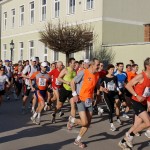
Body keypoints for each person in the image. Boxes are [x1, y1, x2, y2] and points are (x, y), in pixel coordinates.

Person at [68, 58, 100, 148]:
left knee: (88, 123)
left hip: (89, 100)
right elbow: (72, 82)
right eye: (97, 65)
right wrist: (74, 94)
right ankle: (72, 120)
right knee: (84, 122)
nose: (99, 66)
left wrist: (101, 89)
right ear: (92, 65)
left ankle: (77, 140)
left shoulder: (97, 74)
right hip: (80, 99)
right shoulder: (83, 72)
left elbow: (96, 84)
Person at [119, 57, 150, 149]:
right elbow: (128, 85)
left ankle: (122, 141)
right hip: (136, 101)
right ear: (148, 66)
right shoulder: (141, 76)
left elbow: (148, 91)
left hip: (143, 102)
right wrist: (136, 95)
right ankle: (130, 136)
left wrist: (148, 102)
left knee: (136, 125)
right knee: (148, 123)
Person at [51, 58, 76, 123]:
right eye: (74, 63)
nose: (75, 64)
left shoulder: (75, 71)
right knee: (59, 105)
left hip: (72, 91)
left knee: (73, 105)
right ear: (70, 63)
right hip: (64, 90)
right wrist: (66, 82)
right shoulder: (65, 70)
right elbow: (59, 78)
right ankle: (54, 115)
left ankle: (72, 121)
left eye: (75, 63)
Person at [100, 64, 121, 131]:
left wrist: (118, 90)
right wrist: (103, 89)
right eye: (111, 69)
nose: (112, 71)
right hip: (106, 95)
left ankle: (102, 110)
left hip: (113, 94)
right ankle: (112, 125)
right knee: (111, 110)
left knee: (111, 109)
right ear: (108, 70)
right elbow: (99, 86)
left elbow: (117, 85)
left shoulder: (115, 77)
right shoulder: (104, 78)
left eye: (113, 69)